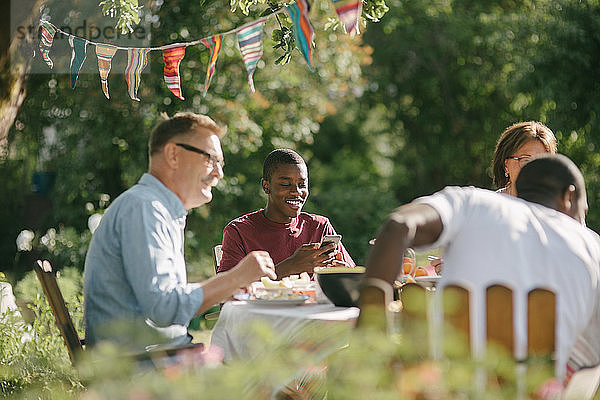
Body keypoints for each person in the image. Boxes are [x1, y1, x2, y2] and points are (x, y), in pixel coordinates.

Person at [359, 154, 599, 382]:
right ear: (569, 197)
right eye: (583, 211)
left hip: (444, 391)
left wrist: (368, 332)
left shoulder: (473, 202)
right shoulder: (591, 245)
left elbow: (398, 226)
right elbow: (588, 363)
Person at [84, 112, 276, 351]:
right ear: (173, 154)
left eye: (221, 163)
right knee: (270, 368)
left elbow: (162, 299)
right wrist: (235, 277)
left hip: (157, 358)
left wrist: (224, 289)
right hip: (142, 370)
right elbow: (163, 308)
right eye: (210, 158)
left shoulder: (156, 208)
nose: (219, 173)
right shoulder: (146, 208)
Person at [217, 148, 355, 278]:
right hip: (260, 304)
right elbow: (225, 292)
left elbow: (353, 275)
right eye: (285, 184)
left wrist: (344, 272)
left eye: (302, 185)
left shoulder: (319, 227)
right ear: (266, 186)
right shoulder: (239, 231)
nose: (296, 192)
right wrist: (290, 267)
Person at [491, 121, 557, 196]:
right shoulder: (489, 205)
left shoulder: (555, 206)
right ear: (506, 166)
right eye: (526, 161)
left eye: (541, 163)